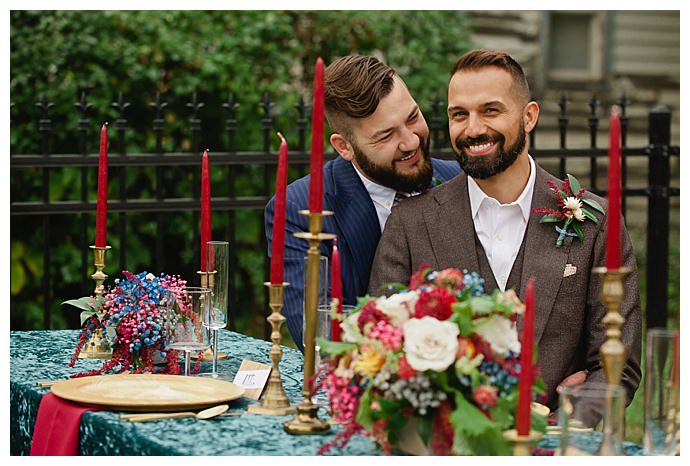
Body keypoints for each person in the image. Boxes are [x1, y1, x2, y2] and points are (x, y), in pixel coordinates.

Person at [368, 49, 641, 411]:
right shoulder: (409, 222)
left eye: (490, 111)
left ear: (529, 117)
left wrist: (568, 419)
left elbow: (617, 367)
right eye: (459, 115)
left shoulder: (595, 222)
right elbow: (381, 346)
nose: (473, 129)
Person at [265, 55, 461, 351]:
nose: (410, 142)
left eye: (412, 118)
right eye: (386, 136)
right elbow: (322, 337)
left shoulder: (460, 181)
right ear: (345, 147)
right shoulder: (299, 209)